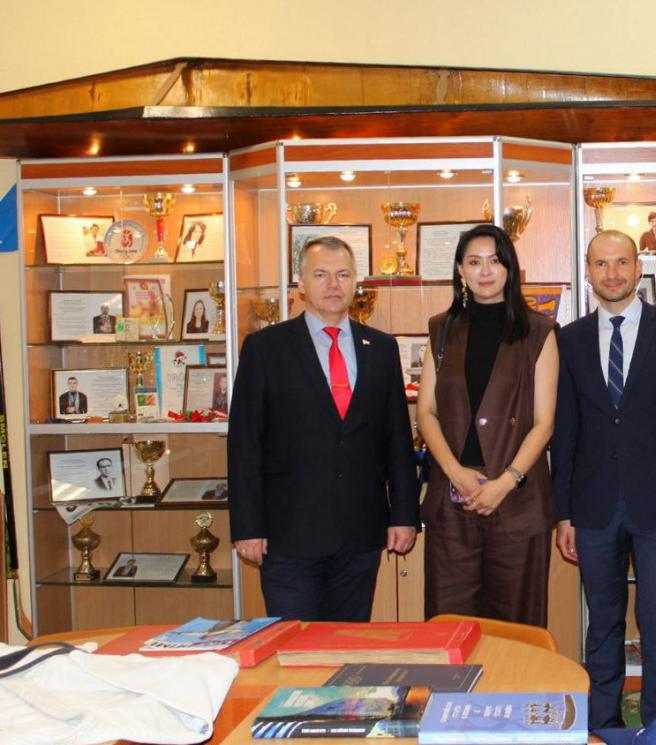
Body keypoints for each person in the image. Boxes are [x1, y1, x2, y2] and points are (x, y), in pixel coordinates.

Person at [552, 229, 656, 729]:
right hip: (593, 507)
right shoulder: (570, 339)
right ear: (588, 272)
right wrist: (563, 514)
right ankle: (604, 725)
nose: (612, 273)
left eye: (622, 262)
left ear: (639, 269)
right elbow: (565, 431)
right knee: (603, 622)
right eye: (601, 264)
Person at [228, 235, 419, 622]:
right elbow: (245, 444)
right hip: (288, 534)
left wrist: (403, 514)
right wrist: (247, 526)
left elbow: (397, 440)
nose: (333, 284)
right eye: (321, 274)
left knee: (348, 644)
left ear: (355, 282)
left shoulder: (381, 348)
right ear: (301, 283)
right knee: (295, 645)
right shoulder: (265, 349)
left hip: (360, 532)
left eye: (343, 274)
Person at [416, 223, 559, 626]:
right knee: (449, 624)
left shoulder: (539, 331)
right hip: (452, 499)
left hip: (517, 501)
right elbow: (425, 412)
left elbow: (544, 422)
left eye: (495, 261)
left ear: (510, 268)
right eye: (474, 262)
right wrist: (454, 471)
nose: (485, 271)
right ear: (460, 269)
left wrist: (506, 481)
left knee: (516, 626)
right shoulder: (441, 329)